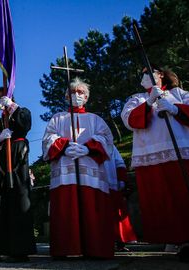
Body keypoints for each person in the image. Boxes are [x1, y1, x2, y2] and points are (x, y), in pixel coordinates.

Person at [121, 66, 189, 262]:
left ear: (162, 75)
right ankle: (182, 241)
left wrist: (175, 108)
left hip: (186, 153)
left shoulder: (179, 93)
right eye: (142, 72)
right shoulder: (138, 98)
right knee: (169, 199)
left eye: (149, 71)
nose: (145, 75)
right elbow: (128, 119)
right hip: (155, 156)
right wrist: (149, 102)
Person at [42, 78, 115, 259]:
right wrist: (64, 146)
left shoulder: (95, 119)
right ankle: (65, 248)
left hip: (90, 170)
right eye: (73, 92)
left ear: (87, 97)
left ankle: (95, 249)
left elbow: (106, 139)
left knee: (92, 208)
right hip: (65, 170)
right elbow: (48, 138)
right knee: (67, 209)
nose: (77, 95)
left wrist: (88, 148)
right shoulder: (57, 118)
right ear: (67, 96)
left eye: (80, 92)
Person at [0, 88, 36, 262]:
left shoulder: (21, 112)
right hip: (1, 163)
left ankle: (20, 249)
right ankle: (0, 248)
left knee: (20, 201)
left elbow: (26, 125)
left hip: (18, 158)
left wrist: (12, 107)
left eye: (1, 97)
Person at [104, 146, 137, 252]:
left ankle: (119, 241)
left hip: (111, 182)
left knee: (116, 214)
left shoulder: (110, 145)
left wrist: (121, 179)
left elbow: (119, 162)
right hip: (95, 183)